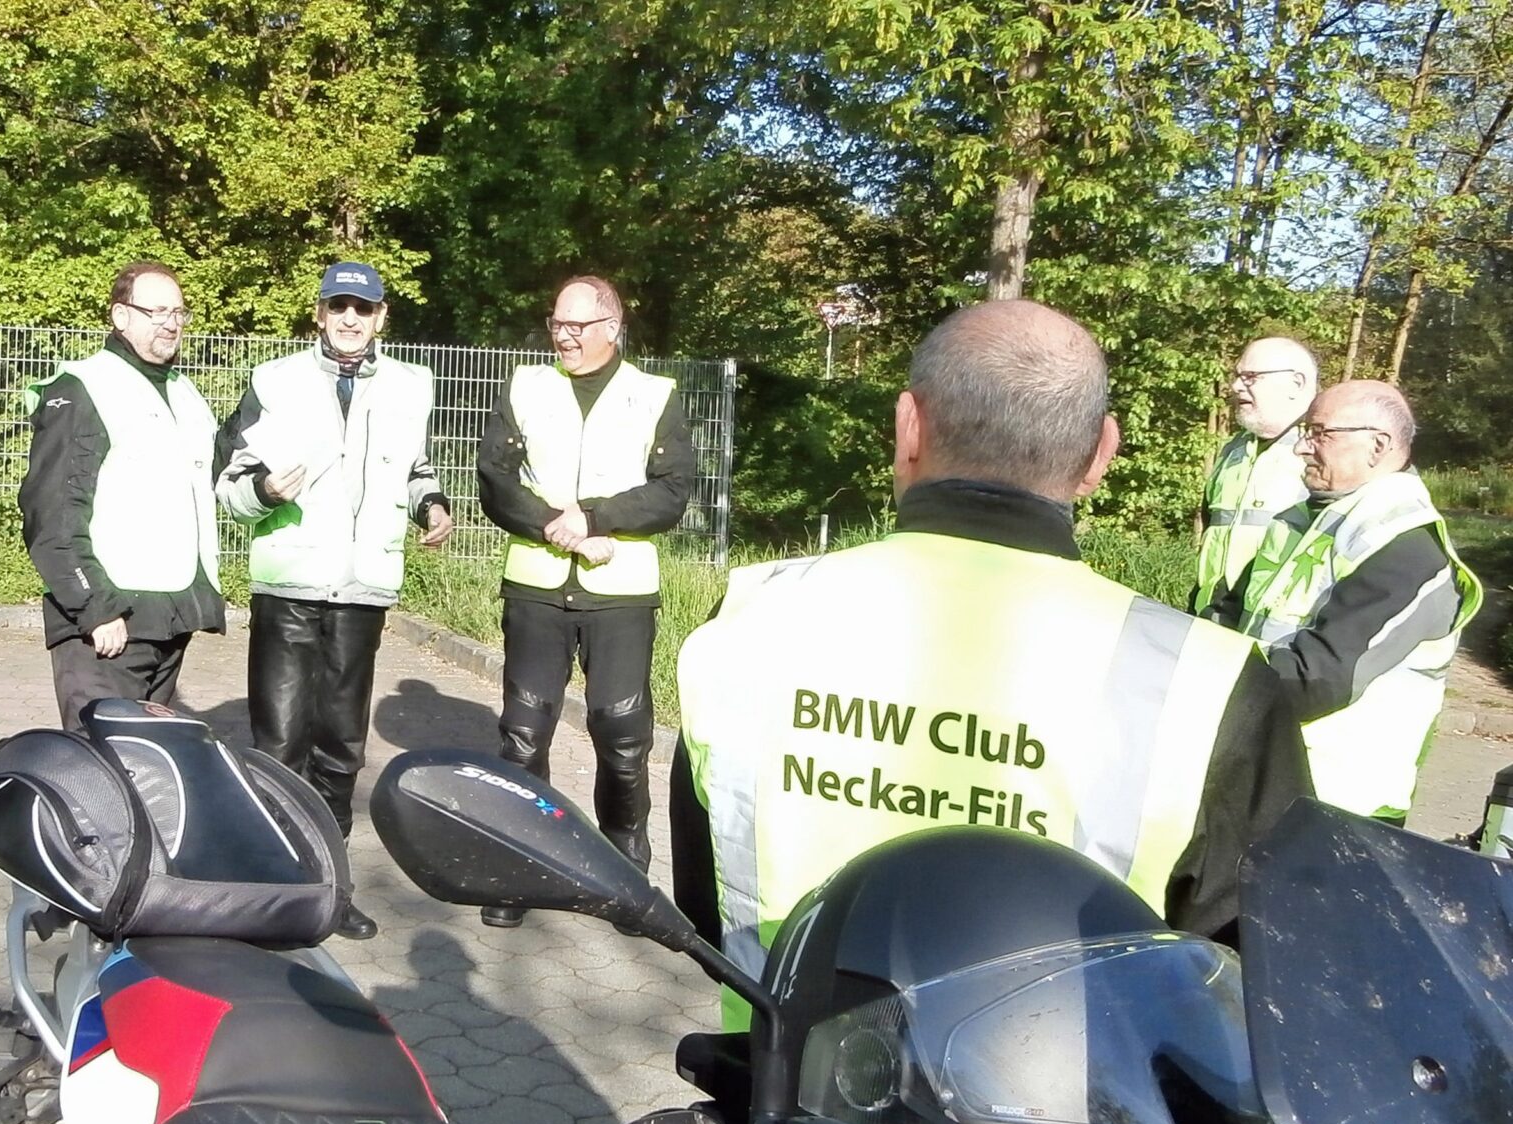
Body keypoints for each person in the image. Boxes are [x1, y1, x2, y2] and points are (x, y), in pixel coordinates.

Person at [673, 299, 1312, 1028]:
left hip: (778, 1072)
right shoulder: (1209, 682)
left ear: (908, 428)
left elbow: (706, 892)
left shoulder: (752, 617)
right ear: (1100, 455)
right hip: (1072, 1093)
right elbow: (1261, 979)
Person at [214, 261, 451, 939]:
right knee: (278, 743)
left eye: (362, 308)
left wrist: (432, 505)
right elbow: (230, 484)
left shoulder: (413, 385)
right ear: (318, 313)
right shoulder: (274, 380)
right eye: (338, 306)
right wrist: (264, 492)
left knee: (342, 747)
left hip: (362, 589)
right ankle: (269, 885)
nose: (350, 318)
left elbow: (415, 469)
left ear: (381, 318)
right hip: (288, 584)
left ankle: (330, 887)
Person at [474, 274, 692, 926]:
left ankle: (624, 875)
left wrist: (595, 517)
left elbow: (672, 491)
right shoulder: (525, 386)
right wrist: (554, 525)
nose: (563, 336)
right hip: (536, 586)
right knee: (523, 733)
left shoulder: (655, 395)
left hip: (619, 591)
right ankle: (518, 868)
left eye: (577, 326)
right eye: (557, 324)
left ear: (612, 328)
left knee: (621, 733)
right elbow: (494, 480)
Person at [1205, 380, 1478, 823]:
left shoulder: (1406, 548)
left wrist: (1198, 687)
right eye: (1305, 433)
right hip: (1261, 774)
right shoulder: (1307, 518)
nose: (1301, 448)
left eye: (1320, 433)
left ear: (1377, 446)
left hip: (1337, 805)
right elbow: (1230, 617)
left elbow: (1318, 679)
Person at [22, 261, 225, 729]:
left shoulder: (185, 394)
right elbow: (51, 513)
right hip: (107, 621)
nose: (171, 323)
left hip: (170, 617)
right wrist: (94, 607)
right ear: (120, 316)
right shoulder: (82, 388)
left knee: (147, 758)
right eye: (156, 312)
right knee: (101, 761)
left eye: (178, 312)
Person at [1192, 337, 1316, 611]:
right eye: (1237, 376)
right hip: (1212, 612)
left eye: (1251, 377)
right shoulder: (1234, 449)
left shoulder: (1321, 450)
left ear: (1296, 384)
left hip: (1274, 621)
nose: (1236, 386)